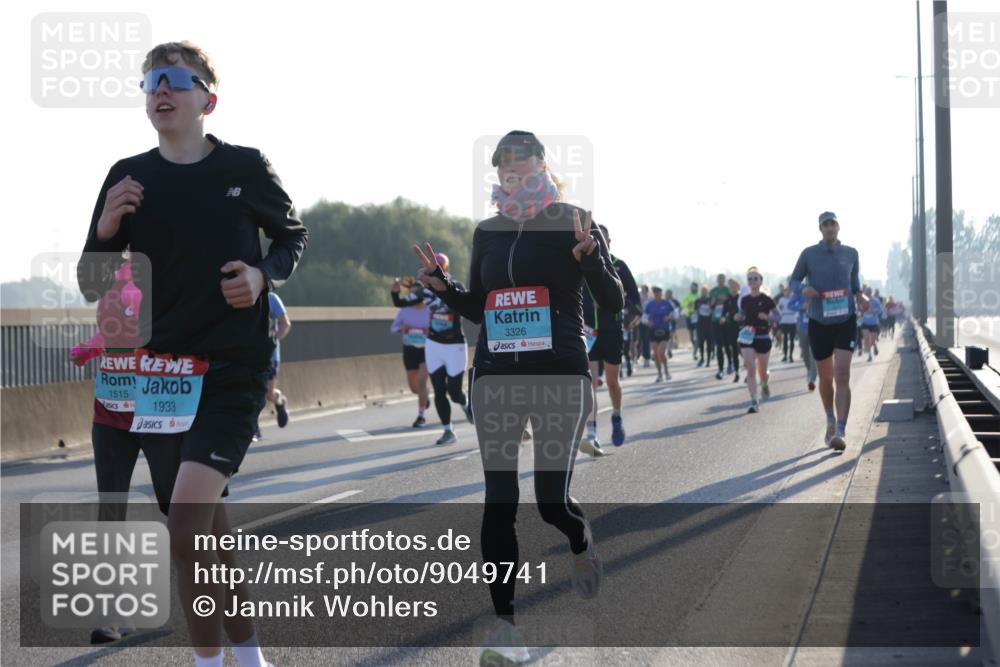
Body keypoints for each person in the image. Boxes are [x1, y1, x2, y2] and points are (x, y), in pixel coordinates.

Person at [77, 41, 307, 667]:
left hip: (234, 367)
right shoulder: (130, 177)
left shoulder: (245, 166)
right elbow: (94, 283)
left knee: (183, 527)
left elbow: (291, 237)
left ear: (208, 98)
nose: (161, 89)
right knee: (207, 533)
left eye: (177, 79)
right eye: (151, 80)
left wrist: (262, 277)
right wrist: (104, 232)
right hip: (165, 373)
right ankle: (251, 660)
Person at [413, 130, 623, 663]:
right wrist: (443, 288)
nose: (515, 177)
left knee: (552, 501)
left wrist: (590, 258)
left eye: (525, 169)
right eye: (506, 170)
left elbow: (612, 302)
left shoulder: (575, 219)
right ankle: (505, 628)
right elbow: (480, 307)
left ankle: (580, 542)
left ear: (544, 168)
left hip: (559, 374)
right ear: (498, 174)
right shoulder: (488, 230)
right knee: (498, 502)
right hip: (496, 377)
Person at [789, 211, 868, 452]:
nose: (830, 228)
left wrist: (860, 294)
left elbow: (854, 282)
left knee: (842, 374)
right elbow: (793, 281)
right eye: (826, 224)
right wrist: (805, 289)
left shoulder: (851, 253)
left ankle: (841, 431)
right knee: (826, 377)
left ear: (838, 227)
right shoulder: (809, 254)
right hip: (819, 321)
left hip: (845, 319)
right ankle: (830, 419)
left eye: (833, 223)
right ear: (820, 229)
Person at [394, 254, 474, 445]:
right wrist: (395, 292)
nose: (435, 271)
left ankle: (465, 404)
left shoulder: (456, 286)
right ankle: (448, 431)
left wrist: (447, 294)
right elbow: (400, 303)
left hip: (454, 344)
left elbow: (469, 308)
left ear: (445, 268)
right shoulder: (424, 291)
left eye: (439, 268)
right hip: (434, 344)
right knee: (439, 389)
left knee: (454, 392)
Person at [581, 224, 641, 451]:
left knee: (612, 383)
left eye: (602, 239)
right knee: (589, 384)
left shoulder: (619, 266)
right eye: (595, 238)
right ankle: (592, 433)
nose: (598, 243)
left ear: (609, 242)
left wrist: (625, 322)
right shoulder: (582, 263)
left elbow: (636, 303)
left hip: (612, 330)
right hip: (587, 332)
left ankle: (616, 416)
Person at [390, 281, 432, 427]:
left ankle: (421, 416)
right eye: (410, 294)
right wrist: (403, 328)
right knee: (414, 388)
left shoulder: (430, 310)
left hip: (426, 350)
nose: (412, 297)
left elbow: (439, 327)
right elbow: (393, 328)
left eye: (415, 293)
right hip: (409, 350)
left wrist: (429, 331)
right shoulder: (405, 310)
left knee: (421, 381)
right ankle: (424, 396)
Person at [735, 267, 776, 413]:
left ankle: (764, 383)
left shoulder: (767, 300)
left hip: (763, 336)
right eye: (750, 279)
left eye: (755, 278)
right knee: (750, 369)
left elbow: (778, 317)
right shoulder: (744, 300)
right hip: (747, 337)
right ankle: (754, 400)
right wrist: (738, 317)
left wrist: (768, 317)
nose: (752, 281)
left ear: (760, 281)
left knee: (762, 371)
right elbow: (741, 314)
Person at [253, 291, 291, 440]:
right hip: (249, 354)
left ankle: (279, 400)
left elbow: (285, 323)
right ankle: (254, 428)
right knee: (253, 391)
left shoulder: (271, 299)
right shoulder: (242, 297)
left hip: (270, 354)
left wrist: (273, 339)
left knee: (268, 394)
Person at [644, 286, 675, 382]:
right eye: (656, 293)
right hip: (653, 331)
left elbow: (675, 313)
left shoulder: (667, 303)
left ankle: (666, 370)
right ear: (654, 294)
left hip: (664, 330)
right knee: (656, 353)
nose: (659, 295)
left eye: (660, 293)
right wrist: (647, 322)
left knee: (660, 352)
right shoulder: (650, 304)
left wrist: (669, 317)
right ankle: (660, 374)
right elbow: (644, 317)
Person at [709, 274, 733, 377]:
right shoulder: (713, 291)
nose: (721, 281)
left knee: (727, 345)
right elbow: (710, 307)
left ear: (725, 280)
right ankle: (720, 369)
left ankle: (730, 364)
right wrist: (713, 302)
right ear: (717, 280)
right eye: (719, 279)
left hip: (726, 320)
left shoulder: (728, 290)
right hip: (716, 320)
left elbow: (732, 304)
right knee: (719, 346)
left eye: (723, 279)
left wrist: (725, 300)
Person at [859, 286, 882, 361]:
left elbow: (880, 310)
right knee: (866, 338)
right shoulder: (862, 300)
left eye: (869, 292)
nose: (868, 294)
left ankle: (874, 346)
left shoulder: (875, 301)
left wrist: (873, 310)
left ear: (871, 293)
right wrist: (860, 313)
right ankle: (869, 355)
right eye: (866, 292)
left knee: (872, 340)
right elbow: (857, 310)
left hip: (873, 323)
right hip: (865, 323)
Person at [777, 286, 799, 363]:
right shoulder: (781, 300)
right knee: (785, 339)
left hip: (792, 320)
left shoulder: (793, 299)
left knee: (792, 340)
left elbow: (797, 309)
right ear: (784, 292)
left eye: (789, 291)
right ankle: (785, 355)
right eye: (786, 291)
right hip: (784, 320)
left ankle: (791, 356)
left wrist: (795, 317)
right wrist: (781, 313)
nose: (787, 292)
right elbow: (779, 309)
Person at [694, 285, 713, 367]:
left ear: (708, 291)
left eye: (705, 290)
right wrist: (697, 311)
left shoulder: (710, 300)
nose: (704, 292)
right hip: (700, 323)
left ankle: (708, 360)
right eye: (702, 291)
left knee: (709, 342)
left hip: (709, 323)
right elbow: (695, 311)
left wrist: (710, 310)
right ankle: (702, 358)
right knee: (701, 341)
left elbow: (713, 310)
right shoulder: (697, 301)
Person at [682, 281, 700, 361]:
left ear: (697, 287)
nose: (692, 288)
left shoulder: (699, 296)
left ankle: (695, 352)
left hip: (698, 317)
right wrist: (687, 305)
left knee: (697, 335)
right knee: (692, 337)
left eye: (694, 287)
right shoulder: (687, 296)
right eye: (691, 287)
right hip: (689, 317)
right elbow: (682, 305)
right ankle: (695, 346)